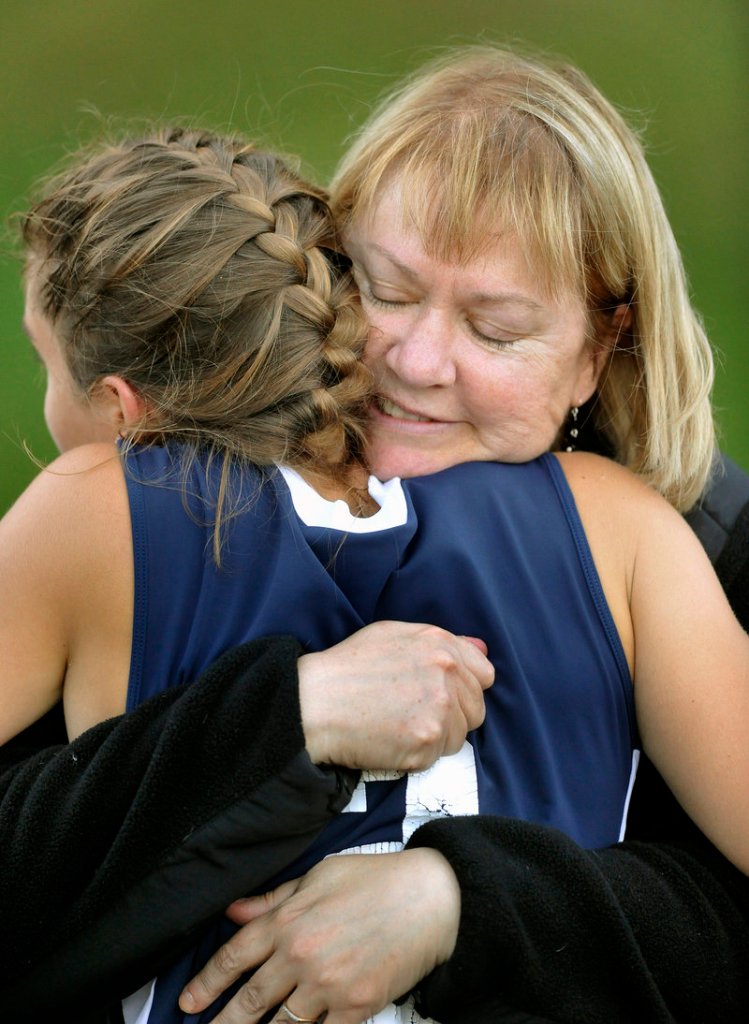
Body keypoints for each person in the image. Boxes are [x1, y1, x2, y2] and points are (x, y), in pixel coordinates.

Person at [1, 46, 748, 1024]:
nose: (415, 359)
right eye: (384, 289)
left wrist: (460, 901)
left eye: (494, 329)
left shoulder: (672, 535)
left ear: (598, 350)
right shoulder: (119, 510)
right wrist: (282, 721)